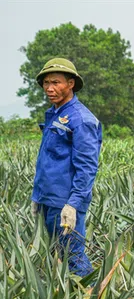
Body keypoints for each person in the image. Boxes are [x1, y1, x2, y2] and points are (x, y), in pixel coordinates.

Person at [31, 58, 102, 277]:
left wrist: (73, 205)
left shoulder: (81, 119)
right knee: (54, 256)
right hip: (47, 200)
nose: (49, 88)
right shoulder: (55, 114)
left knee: (74, 257)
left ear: (70, 84)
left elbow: (87, 167)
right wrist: (37, 196)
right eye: (46, 83)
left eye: (56, 82)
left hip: (65, 203)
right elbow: (49, 161)